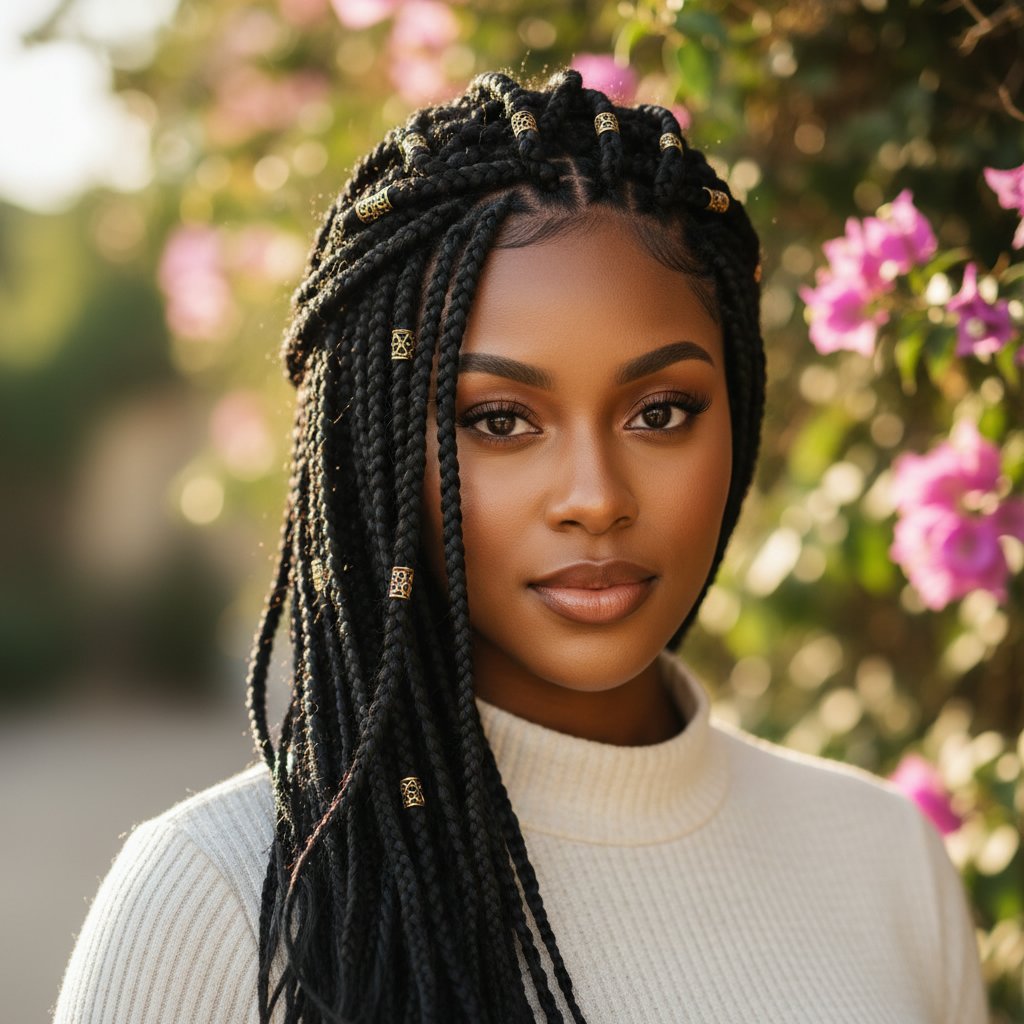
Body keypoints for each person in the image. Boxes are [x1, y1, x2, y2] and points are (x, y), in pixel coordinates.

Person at [53, 68, 988, 1024]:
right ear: (374, 452)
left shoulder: (885, 858)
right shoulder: (216, 900)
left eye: (660, 412)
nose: (596, 499)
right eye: (500, 420)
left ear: (739, 419)